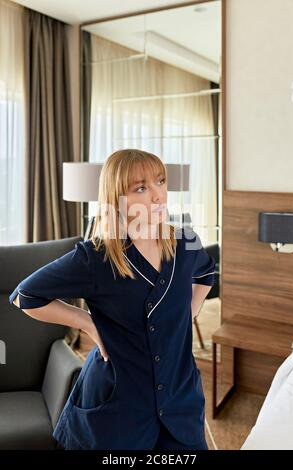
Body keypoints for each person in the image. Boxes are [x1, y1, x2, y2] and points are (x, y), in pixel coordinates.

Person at [8, 149, 216, 450]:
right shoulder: (96, 259)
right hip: (117, 409)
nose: (158, 196)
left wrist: (188, 314)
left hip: (180, 400)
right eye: (141, 188)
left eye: (160, 181)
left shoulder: (185, 242)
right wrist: (88, 323)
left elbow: (206, 274)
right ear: (116, 199)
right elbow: (25, 295)